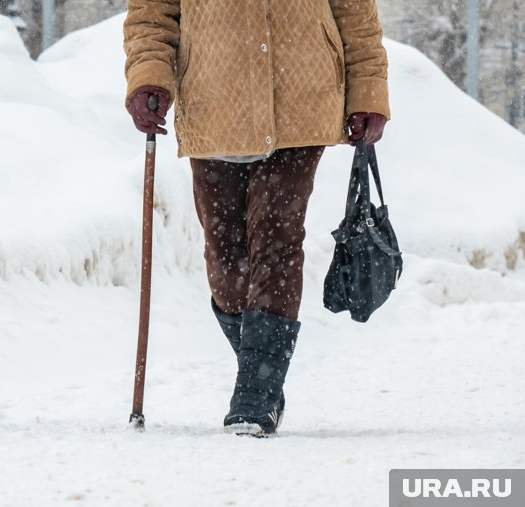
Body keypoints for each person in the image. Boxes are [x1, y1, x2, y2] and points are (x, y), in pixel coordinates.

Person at [123, 0, 390, 437]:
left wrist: (367, 92)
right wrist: (148, 79)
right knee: (225, 262)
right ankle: (262, 371)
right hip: (213, 102)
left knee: (276, 238)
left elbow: (355, 12)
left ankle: (256, 395)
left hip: (301, 97)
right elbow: (151, 15)